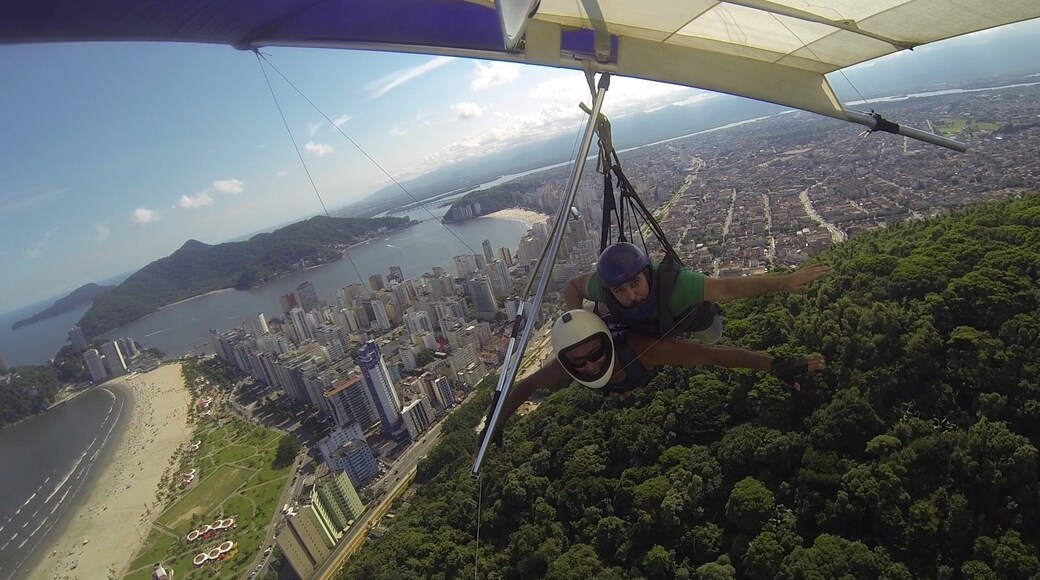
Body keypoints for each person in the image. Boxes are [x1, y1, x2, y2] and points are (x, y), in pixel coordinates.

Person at [483, 309, 825, 440]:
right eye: (578, 363)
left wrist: (773, 364)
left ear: (607, 343)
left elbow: (712, 356)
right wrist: (494, 424)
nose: (589, 365)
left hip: (640, 369)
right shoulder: (568, 363)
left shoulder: (642, 349)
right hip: (622, 381)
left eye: (596, 354)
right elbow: (526, 385)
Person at [563, 242, 830, 342]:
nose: (632, 294)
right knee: (600, 316)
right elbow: (572, 285)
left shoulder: (678, 285)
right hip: (643, 327)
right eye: (621, 289)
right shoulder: (604, 285)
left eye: (635, 284)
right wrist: (579, 325)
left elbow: (727, 287)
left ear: (647, 273)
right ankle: (599, 315)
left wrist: (783, 282)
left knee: (712, 334)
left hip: (689, 320)